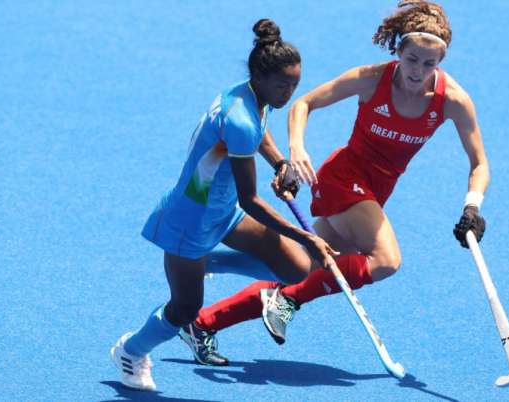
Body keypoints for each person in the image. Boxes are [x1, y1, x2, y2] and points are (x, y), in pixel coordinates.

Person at [182, 0, 490, 362]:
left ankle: (202, 323)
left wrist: (473, 205)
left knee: (307, 268)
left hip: (377, 190)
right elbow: (303, 104)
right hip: (344, 178)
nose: (418, 71)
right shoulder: (372, 78)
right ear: (398, 50)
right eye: (411, 59)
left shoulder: (452, 100)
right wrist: (296, 149)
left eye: (429, 63)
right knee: (386, 261)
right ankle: (285, 301)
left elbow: (479, 163)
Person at [109, 19, 340, 391]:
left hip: (221, 211)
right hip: (190, 222)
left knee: (296, 269)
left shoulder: (249, 95)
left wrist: (280, 163)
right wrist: (305, 235)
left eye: (295, 85)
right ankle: (131, 351)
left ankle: (205, 264)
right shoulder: (240, 119)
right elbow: (251, 199)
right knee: (185, 310)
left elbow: (260, 128)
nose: (289, 93)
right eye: (283, 85)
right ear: (261, 77)